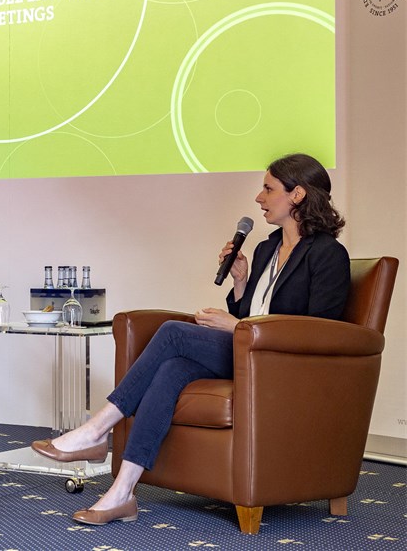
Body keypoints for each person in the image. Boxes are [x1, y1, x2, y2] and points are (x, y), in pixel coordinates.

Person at [32, 153, 350, 525]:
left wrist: (235, 327)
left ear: (297, 194)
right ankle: (122, 492)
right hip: (247, 354)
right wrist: (241, 282)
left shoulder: (328, 255)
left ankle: (97, 430)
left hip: (281, 364)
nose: (258, 198)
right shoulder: (267, 249)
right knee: (173, 368)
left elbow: (318, 333)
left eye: (268, 189)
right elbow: (253, 313)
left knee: (173, 333)